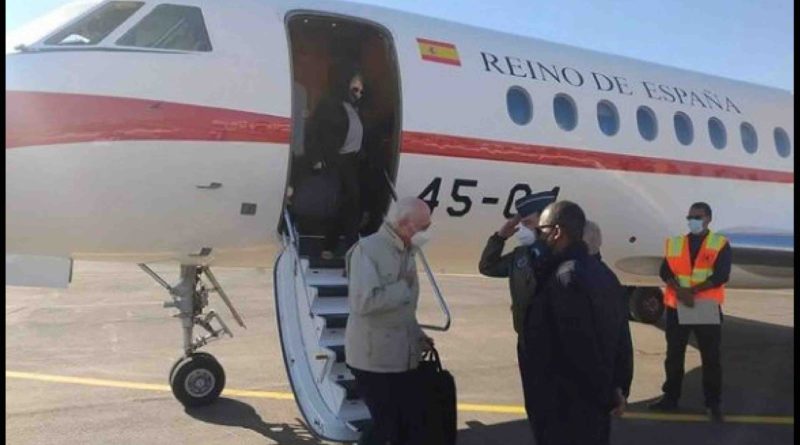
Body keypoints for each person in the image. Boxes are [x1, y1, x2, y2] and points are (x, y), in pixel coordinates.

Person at [523, 201, 633, 445]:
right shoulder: (605, 274)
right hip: (594, 407)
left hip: (566, 410)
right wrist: (618, 387)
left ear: (557, 232)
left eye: (541, 231)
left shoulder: (565, 278)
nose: (538, 237)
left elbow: (579, 347)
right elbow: (622, 338)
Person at [344, 197, 435, 445]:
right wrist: (402, 287)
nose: (427, 232)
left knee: (399, 424)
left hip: (398, 356)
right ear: (404, 224)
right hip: (374, 360)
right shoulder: (368, 250)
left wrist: (418, 336)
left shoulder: (407, 250)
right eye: (424, 226)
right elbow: (363, 303)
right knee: (385, 425)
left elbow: (404, 310)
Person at [477, 187, 559, 430]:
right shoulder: (520, 256)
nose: (522, 228)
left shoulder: (562, 255)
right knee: (534, 401)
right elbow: (487, 267)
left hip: (556, 341)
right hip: (526, 339)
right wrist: (500, 236)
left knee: (557, 402)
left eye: (527, 223)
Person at [649, 202, 731, 423]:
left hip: (704, 306)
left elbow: (721, 275)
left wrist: (691, 291)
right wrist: (678, 289)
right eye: (690, 217)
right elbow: (665, 270)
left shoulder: (720, 244)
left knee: (710, 358)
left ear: (708, 219)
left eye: (697, 217)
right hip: (678, 306)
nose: (692, 221)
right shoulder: (676, 243)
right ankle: (670, 398)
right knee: (674, 356)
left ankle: (713, 403)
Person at [305, 67, 368, 260]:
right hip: (335, 160)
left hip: (351, 162)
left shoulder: (355, 109)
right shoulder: (330, 105)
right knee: (339, 204)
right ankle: (337, 247)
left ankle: (340, 247)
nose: (358, 94)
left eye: (361, 91)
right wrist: (316, 158)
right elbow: (314, 131)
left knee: (349, 205)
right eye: (355, 89)